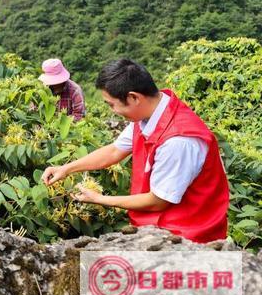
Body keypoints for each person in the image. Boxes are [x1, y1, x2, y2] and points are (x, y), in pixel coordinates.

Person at [42, 59, 229, 243]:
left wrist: (100, 199)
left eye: (111, 104)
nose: (112, 111)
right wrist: (65, 169)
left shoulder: (178, 141)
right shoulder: (149, 114)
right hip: (157, 227)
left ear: (134, 97)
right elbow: (115, 151)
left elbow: (159, 200)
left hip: (188, 236)